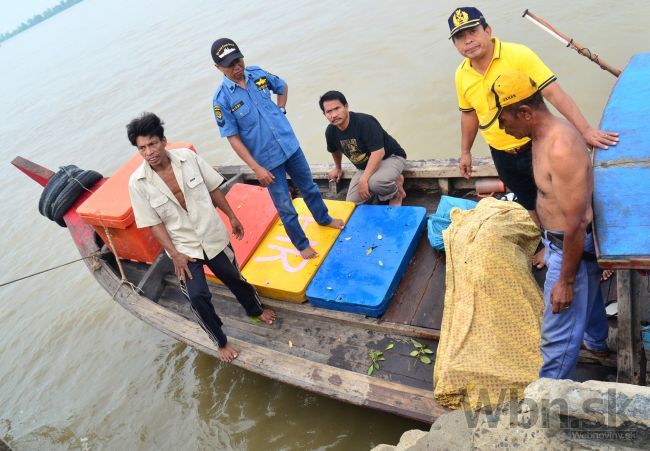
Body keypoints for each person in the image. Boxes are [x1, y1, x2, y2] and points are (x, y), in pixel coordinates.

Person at [449, 7, 618, 266]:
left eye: (473, 31)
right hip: (502, 152)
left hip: (536, 145)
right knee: (531, 203)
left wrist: (584, 130)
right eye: (460, 37)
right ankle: (551, 247)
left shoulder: (518, 55)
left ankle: (598, 253)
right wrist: (465, 152)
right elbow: (469, 115)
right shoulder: (462, 74)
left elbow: (553, 93)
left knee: (574, 201)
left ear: (488, 30)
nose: (468, 40)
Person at [126, 113, 276, 363]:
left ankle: (255, 309)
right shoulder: (138, 183)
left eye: (152, 144)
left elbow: (213, 188)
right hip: (184, 250)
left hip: (213, 235)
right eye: (142, 148)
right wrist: (175, 255)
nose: (149, 152)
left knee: (234, 278)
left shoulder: (187, 158)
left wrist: (232, 216)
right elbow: (154, 224)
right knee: (196, 297)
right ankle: (220, 340)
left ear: (163, 141)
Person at [491, 71, 609, 379]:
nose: (503, 128)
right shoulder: (542, 135)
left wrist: (565, 282)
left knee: (557, 334)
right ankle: (597, 343)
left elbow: (577, 221)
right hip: (563, 241)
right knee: (593, 299)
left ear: (526, 113)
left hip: (567, 246)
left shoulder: (560, 149)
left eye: (505, 121)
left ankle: (549, 401)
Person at [210, 38, 344, 260]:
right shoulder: (221, 100)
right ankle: (302, 245)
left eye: (239, 60)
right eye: (230, 64)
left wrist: (281, 109)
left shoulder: (258, 74)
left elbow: (281, 86)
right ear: (218, 68)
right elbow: (233, 138)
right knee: (285, 206)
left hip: (290, 146)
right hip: (266, 161)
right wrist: (256, 169)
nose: (237, 67)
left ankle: (324, 219)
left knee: (310, 188)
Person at [319, 90, 408, 206]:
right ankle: (386, 182)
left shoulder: (365, 122)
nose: (334, 115)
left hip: (390, 157)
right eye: (329, 111)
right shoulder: (330, 132)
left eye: (337, 108)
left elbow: (378, 153)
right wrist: (338, 168)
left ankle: (396, 193)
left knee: (375, 183)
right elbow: (335, 150)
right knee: (352, 203)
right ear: (324, 114)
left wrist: (364, 179)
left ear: (346, 106)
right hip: (365, 166)